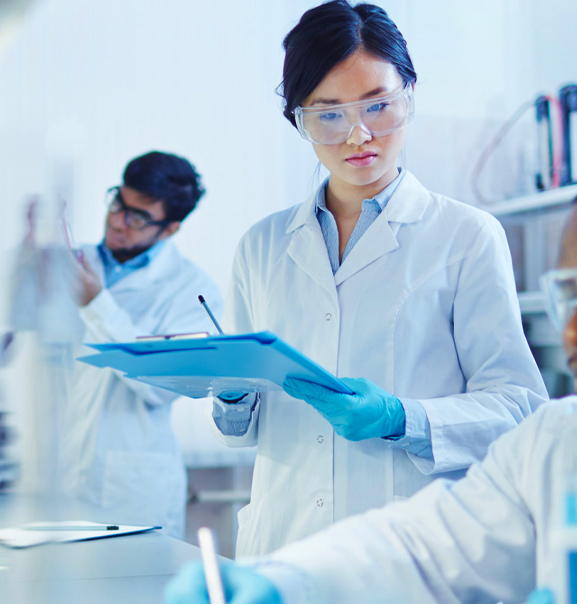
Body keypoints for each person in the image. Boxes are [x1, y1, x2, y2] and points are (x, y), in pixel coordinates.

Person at [165, 143, 577, 603]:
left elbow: (513, 399)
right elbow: (424, 549)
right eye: (571, 298)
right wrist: (284, 581)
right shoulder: (562, 444)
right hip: (288, 526)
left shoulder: (465, 233)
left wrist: (399, 417)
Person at [207, 0, 547, 558]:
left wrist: (399, 418)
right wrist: (232, 396)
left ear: (409, 96)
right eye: (329, 113)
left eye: (379, 105)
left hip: (413, 555)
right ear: (299, 121)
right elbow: (239, 429)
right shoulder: (262, 245)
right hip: (284, 549)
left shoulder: (466, 235)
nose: (358, 135)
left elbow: (518, 407)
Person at [59, 151, 222, 539]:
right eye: (118, 203)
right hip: (56, 478)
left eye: (137, 218)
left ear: (169, 229)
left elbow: (159, 386)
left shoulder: (192, 292)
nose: (117, 222)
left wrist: (96, 305)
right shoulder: (70, 265)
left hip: (127, 489)